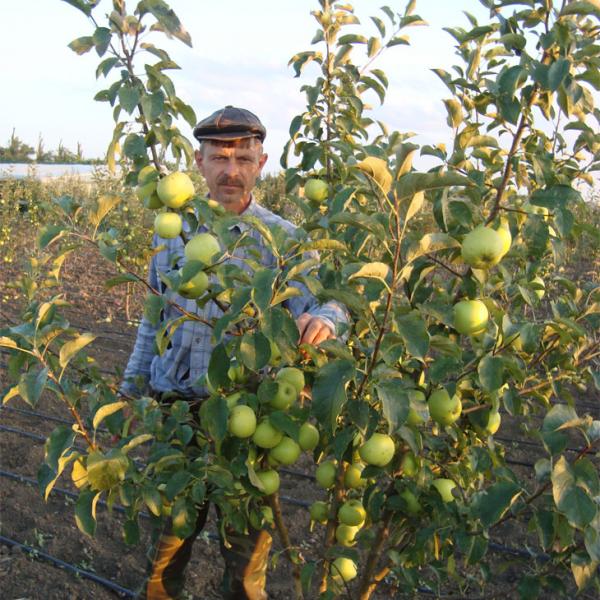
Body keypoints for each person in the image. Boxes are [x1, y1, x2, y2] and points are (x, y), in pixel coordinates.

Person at [120, 106, 348, 600]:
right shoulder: (172, 232)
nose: (231, 170)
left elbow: (334, 300)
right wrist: (129, 391)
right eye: (219, 157)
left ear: (262, 163)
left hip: (252, 417)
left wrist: (326, 317)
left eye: (243, 157)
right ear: (198, 163)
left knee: (245, 563)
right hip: (176, 410)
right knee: (165, 548)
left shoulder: (283, 239)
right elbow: (151, 320)